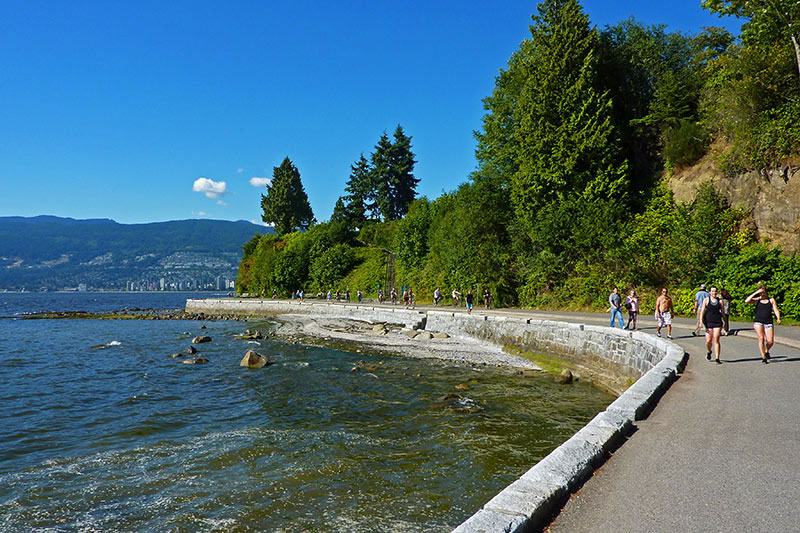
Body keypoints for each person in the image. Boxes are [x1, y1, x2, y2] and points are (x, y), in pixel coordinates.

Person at [744, 283, 782, 364]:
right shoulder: (757, 300)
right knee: (761, 338)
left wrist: (778, 318)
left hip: (768, 322)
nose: (762, 294)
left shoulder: (771, 300)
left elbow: (776, 310)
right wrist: (756, 293)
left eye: (763, 292)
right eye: (761, 293)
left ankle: (766, 350)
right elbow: (746, 301)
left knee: (770, 341)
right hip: (758, 322)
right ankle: (763, 356)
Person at [699, 286, 724, 364]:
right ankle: (709, 351)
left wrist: (726, 322)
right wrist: (701, 321)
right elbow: (702, 311)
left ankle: (717, 358)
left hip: (717, 322)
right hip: (708, 322)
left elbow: (723, 312)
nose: (714, 293)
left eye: (715, 291)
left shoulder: (720, 301)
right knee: (708, 341)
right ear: (709, 292)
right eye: (712, 291)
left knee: (716, 339)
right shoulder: (706, 300)